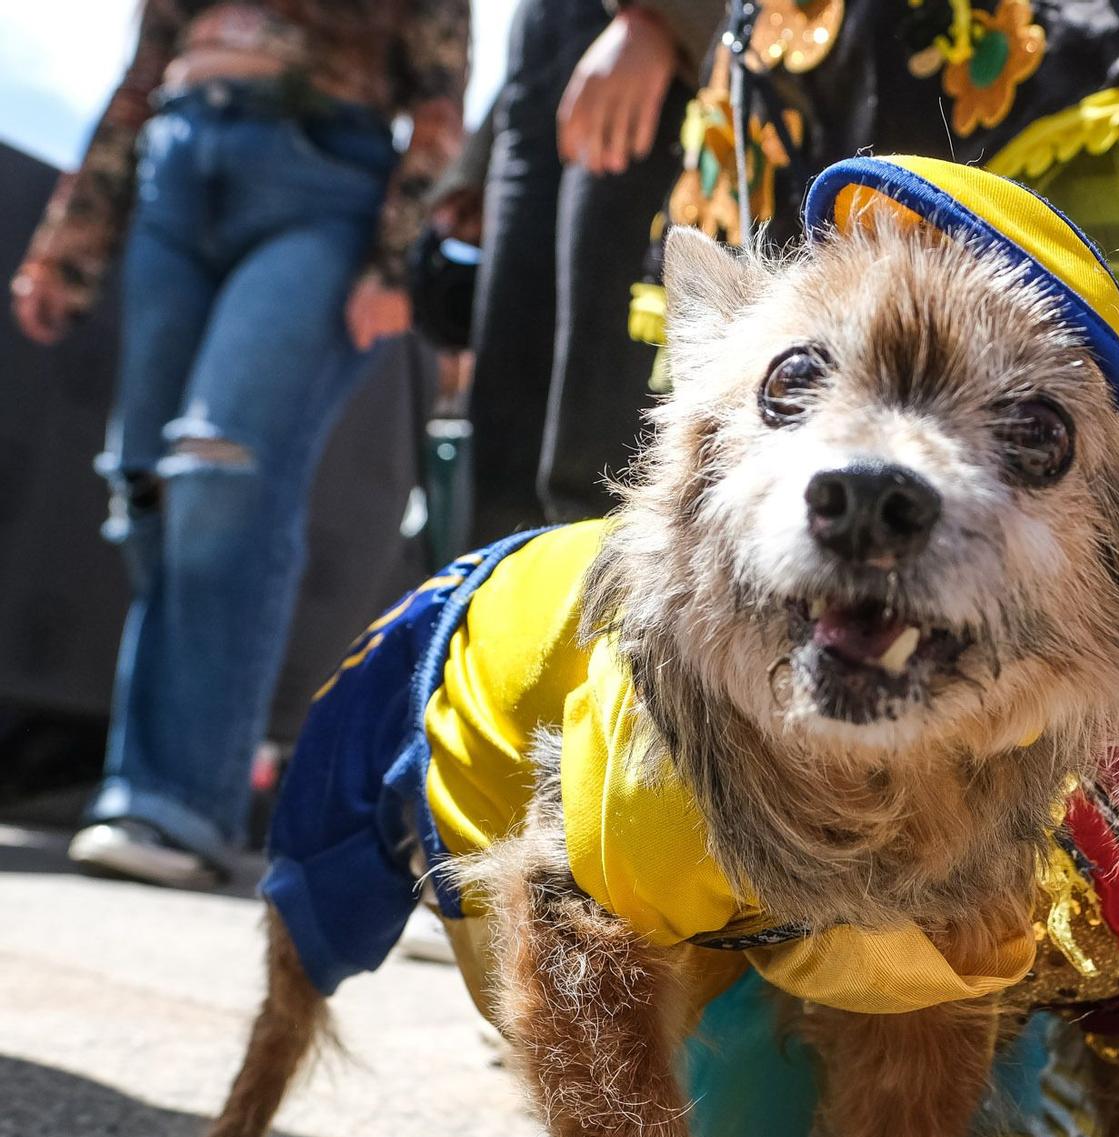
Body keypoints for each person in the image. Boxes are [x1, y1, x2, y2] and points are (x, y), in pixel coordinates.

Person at [9, 0, 469, 888]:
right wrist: (72, 237)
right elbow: (144, 72)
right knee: (142, 489)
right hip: (173, 170)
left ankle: (185, 806)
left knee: (224, 476)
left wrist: (395, 257)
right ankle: (137, 791)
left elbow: (440, 98)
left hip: (325, 182)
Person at [462, 0, 724, 544]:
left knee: (596, 471)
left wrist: (663, 17)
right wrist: (469, 171)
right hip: (546, 49)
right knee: (502, 461)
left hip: (662, 58)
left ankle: (598, 630)